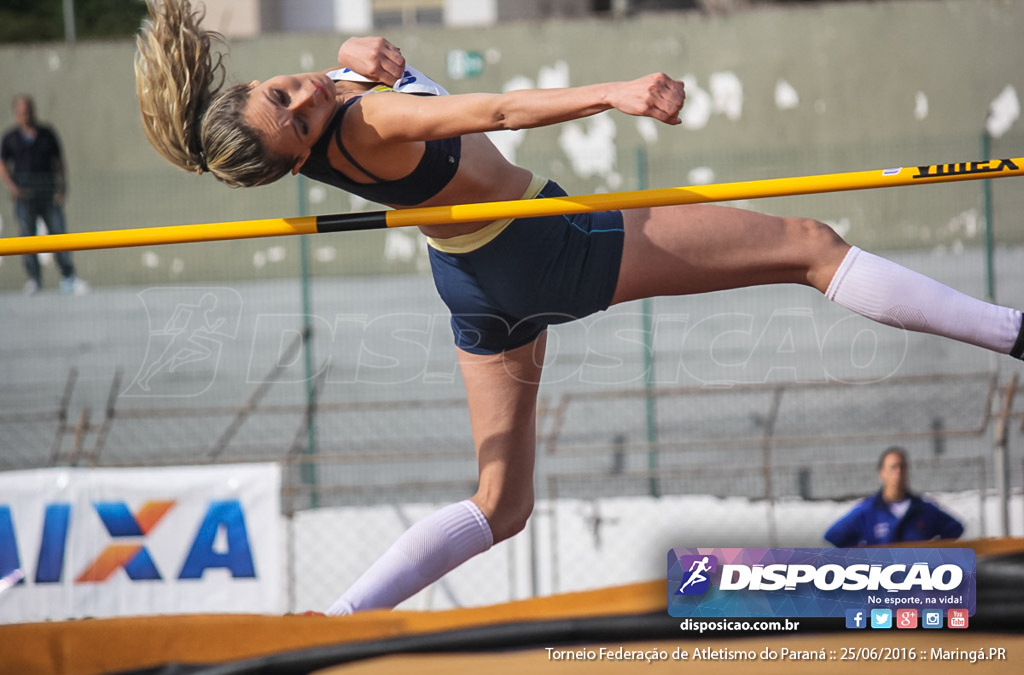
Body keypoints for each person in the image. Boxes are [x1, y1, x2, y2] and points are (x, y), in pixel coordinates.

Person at [135, 0, 1021, 614]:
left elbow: (338, 87)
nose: (304, 94)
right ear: (297, 159)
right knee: (810, 244)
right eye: (294, 111)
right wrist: (615, 92)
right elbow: (503, 109)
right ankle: (1013, 332)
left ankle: (333, 615)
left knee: (500, 502)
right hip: (546, 247)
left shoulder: (319, 118)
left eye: (284, 88)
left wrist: (350, 53)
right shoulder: (367, 126)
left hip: (474, 286)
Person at [0, 95, 88, 295]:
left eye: (28, 110)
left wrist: (61, 187)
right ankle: (34, 279)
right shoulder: (11, 138)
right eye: (22, 112)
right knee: (27, 238)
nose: (26, 115)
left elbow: (59, 161)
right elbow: (3, 165)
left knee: (58, 235)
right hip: (25, 197)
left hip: (48, 195)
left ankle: (68, 277)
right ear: (16, 114)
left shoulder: (46, 134)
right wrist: (13, 188)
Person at [824, 447, 964, 547]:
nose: (898, 472)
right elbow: (835, 535)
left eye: (902, 467)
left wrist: (934, 555)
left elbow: (954, 528)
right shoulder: (869, 510)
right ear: (882, 473)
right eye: (893, 467)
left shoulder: (923, 509)